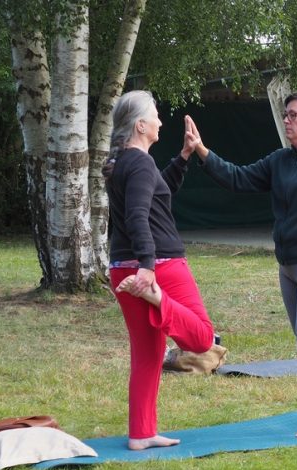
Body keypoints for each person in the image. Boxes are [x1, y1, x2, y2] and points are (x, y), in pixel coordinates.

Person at [186, 92, 297, 437]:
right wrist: (202, 152)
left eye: (293, 115)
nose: (286, 121)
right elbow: (238, 178)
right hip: (289, 265)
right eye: (285, 115)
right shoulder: (280, 160)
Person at [103, 90, 224, 451]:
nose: (161, 121)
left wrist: (184, 157)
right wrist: (148, 269)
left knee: (148, 355)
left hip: (122, 269)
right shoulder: (138, 164)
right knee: (203, 339)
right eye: (155, 115)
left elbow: (156, 196)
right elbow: (140, 215)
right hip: (160, 267)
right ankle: (158, 300)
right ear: (140, 126)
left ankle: (141, 434)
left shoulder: (124, 162)